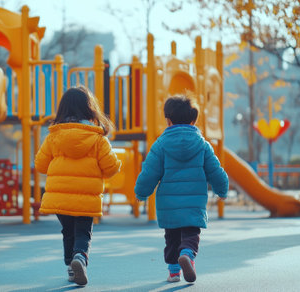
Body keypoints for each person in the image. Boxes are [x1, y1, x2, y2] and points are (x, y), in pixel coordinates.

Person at [134, 94, 228, 283]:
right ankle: (187, 254)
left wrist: (141, 192)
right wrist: (222, 190)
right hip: (194, 203)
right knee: (191, 235)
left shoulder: (160, 144)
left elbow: (150, 172)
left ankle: (174, 272)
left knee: (171, 238)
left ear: (168, 120)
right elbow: (216, 171)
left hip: (169, 204)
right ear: (194, 120)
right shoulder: (203, 145)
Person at [35, 86, 121, 286]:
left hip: (60, 196)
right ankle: (80, 258)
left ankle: (70, 268)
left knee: (68, 231)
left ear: (62, 110)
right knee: (83, 232)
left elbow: (40, 165)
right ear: (89, 109)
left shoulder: (53, 136)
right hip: (86, 197)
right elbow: (111, 168)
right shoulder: (98, 138)